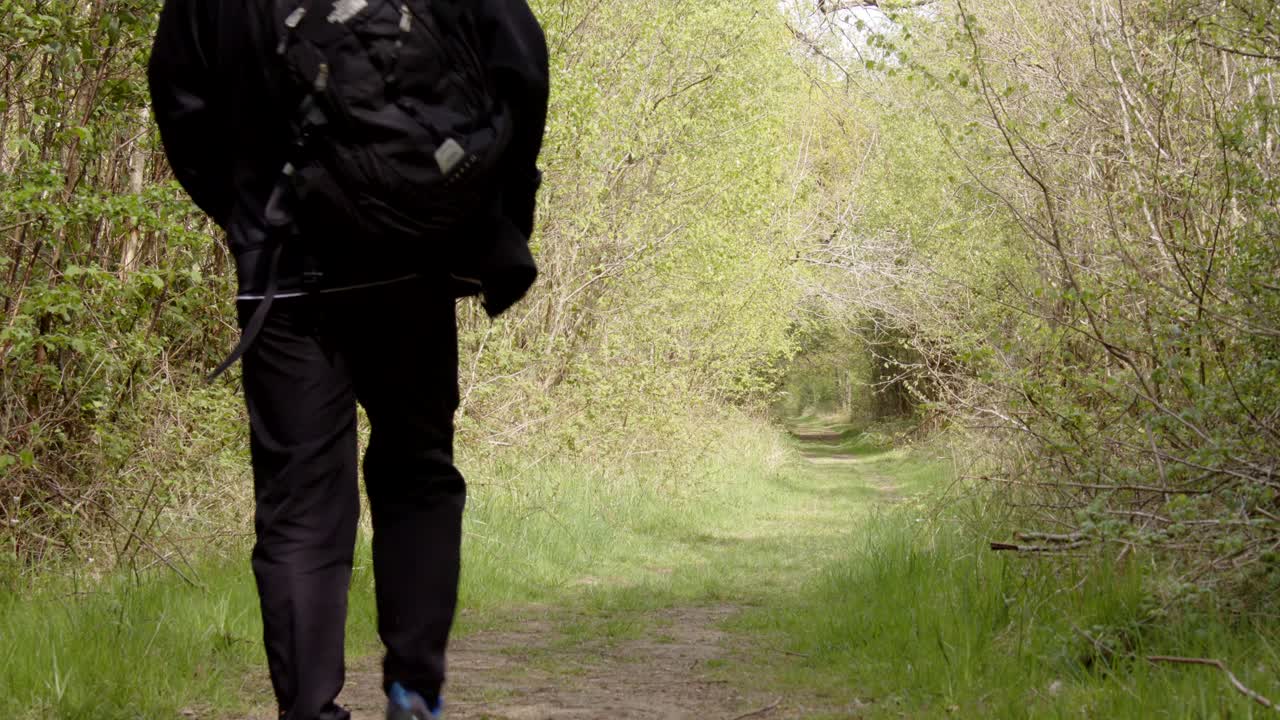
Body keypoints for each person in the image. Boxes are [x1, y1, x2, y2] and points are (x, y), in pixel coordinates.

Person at [147, 1, 549, 719]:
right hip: (412, 265)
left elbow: (181, 103)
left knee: (301, 509)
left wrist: (248, 213)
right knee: (417, 473)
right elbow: (520, 62)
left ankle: (309, 711)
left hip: (282, 273)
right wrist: (486, 214)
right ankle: (413, 695)